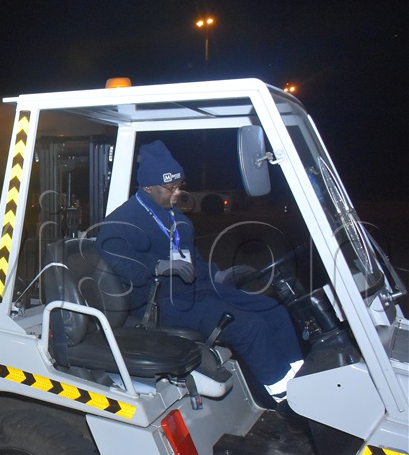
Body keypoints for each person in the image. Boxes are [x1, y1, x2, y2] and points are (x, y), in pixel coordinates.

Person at [95, 140, 303, 400]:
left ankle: (302, 382)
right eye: (169, 188)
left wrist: (219, 274)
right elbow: (129, 269)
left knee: (275, 311)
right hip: (159, 303)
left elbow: (194, 261)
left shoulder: (175, 217)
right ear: (148, 186)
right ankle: (284, 396)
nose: (176, 193)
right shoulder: (120, 223)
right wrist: (161, 266)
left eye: (180, 186)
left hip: (199, 289)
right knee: (249, 327)